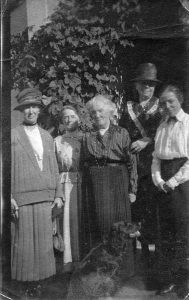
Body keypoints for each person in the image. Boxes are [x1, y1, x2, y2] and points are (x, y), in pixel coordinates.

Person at [11, 88, 63, 295]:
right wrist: (8, 198)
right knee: (24, 245)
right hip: (21, 199)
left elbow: (55, 168)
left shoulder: (47, 137)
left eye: (34, 107)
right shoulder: (12, 135)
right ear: (21, 111)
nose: (30, 111)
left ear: (39, 110)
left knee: (43, 244)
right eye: (26, 108)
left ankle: (40, 287)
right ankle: (24, 288)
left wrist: (58, 194)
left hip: (46, 198)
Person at [83, 94, 138, 276]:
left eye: (100, 111)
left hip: (117, 181)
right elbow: (84, 164)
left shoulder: (122, 133)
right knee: (101, 224)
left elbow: (132, 163)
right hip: (97, 184)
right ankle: (103, 271)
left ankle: (124, 272)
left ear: (109, 111)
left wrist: (133, 189)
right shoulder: (88, 137)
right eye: (93, 112)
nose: (97, 115)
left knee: (120, 225)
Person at [119, 63, 161, 256]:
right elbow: (122, 134)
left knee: (153, 209)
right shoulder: (128, 108)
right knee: (135, 208)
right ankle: (137, 254)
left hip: (153, 164)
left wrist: (147, 140)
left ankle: (153, 254)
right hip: (134, 164)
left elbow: (164, 134)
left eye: (151, 85)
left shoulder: (161, 107)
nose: (147, 88)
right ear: (136, 86)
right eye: (144, 84)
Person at [151, 85, 189, 299]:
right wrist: (158, 179)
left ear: (180, 101)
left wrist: (173, 181)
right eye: (163, 102)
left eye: (171, 101)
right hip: (162, 182)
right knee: (164, 233)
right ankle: (170, 280)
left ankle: (185, 283)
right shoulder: (162, 125)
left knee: (183, 233)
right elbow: (156, 157)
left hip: (182, 182)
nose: (167, 106)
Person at [54, 105, 83, 272]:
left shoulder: (85, 138)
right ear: (62, 121)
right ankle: (68, 261)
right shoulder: (57, 141)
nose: (69, 119)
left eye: (72, 116)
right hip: (65, 183)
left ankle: (82, 259)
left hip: (82, 182)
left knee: (80, 219)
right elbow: (55, 166)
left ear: (78, 118)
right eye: (65, 117)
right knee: (66, 220)